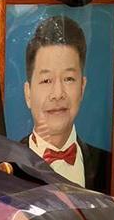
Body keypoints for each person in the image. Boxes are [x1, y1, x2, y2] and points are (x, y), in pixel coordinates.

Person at [22, 15, 109, 191]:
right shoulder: (6, 166)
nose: (58, 94)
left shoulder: (108, 167)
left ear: (82, 87)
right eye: (46, 80)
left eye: (68, 79)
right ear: (28, 93)